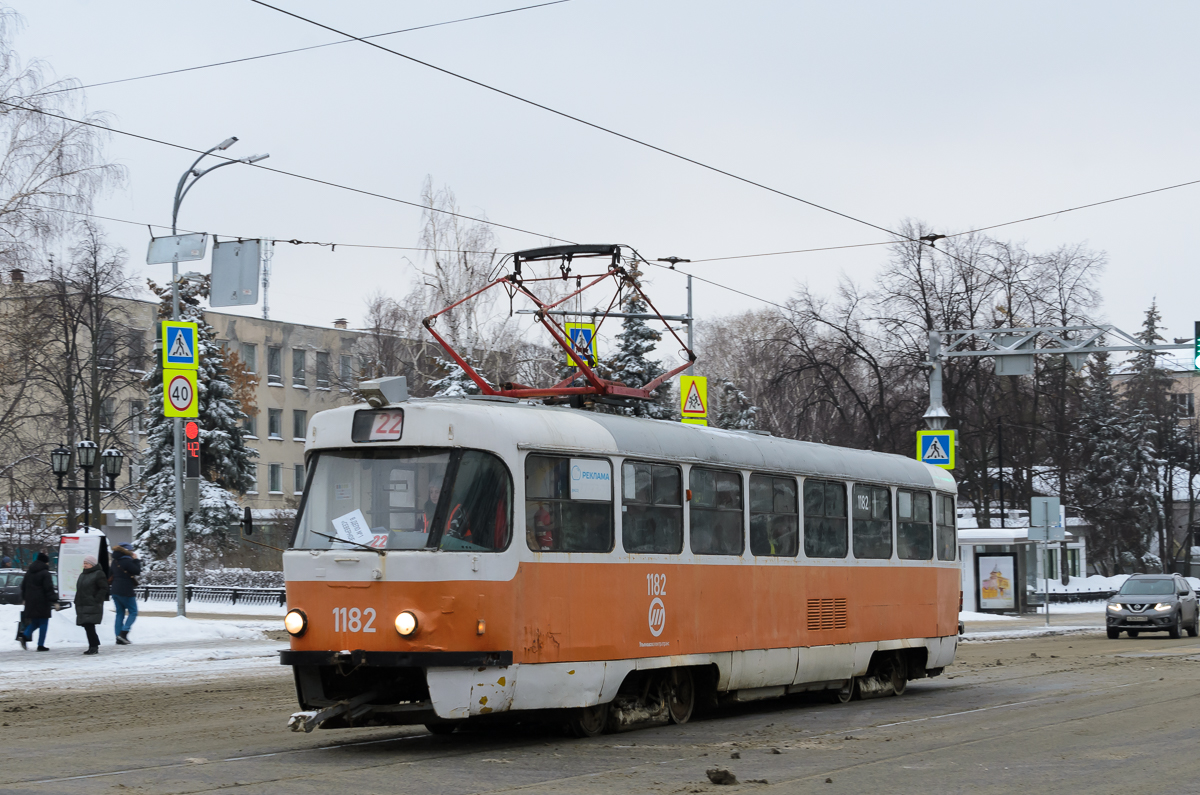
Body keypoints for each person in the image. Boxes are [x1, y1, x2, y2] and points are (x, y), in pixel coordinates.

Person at [18, 552, 56, 651]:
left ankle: (25, 636)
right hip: (42, 602)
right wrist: (54, 600)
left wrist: (24, 598)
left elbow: (23, 587)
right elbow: (48, 588)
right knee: (43, 622)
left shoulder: (29, 572)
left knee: (35, 622)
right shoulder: (45, 573)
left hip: (30, 602)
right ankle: (40, 645)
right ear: (45, 562)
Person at [74, 555, 109, 655]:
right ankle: (93, 645)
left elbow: (104, 588)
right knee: (87, 625)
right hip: (83, 603)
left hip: (91, 604)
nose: (85, 565)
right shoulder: (83, 574)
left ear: (92, 564)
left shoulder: (98, 574)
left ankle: (93, 646)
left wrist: (96, 599)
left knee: (89, 625)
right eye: (84, 563)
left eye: (87, 563)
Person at [110, 543, 141, 645]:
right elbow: (137, 571)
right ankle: (123, 633)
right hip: (126, 590)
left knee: (120, 613)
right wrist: (136, 560)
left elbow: (110, 574)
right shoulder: (127, 561)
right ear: (127, 551)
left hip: (115, 590)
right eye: (131, 551)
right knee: (133, 612)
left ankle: (118, 636)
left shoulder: (114, 561)